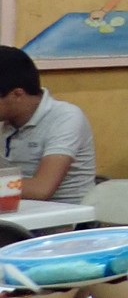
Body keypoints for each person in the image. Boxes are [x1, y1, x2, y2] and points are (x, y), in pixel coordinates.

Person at [0, 45, 97, 203]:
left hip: (65, 214)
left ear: (17, 95)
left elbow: (41, 189)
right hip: (18, 211)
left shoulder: (66, 117)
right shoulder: (5, 118)